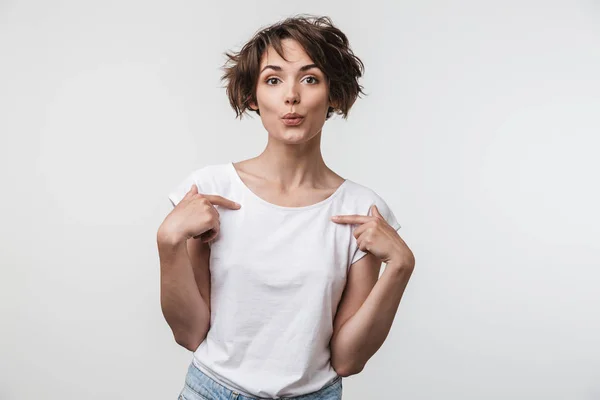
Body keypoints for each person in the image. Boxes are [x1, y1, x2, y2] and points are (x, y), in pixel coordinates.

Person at [157, 14, 416, 400]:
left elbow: (347, 360)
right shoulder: (212, 191)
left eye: (310, 78)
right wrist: (168, 241)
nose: (291, 95)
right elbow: (189, 333)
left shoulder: (362, 210)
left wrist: (401, 267)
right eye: (273, 79)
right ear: (252, 96)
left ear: (334, 95)